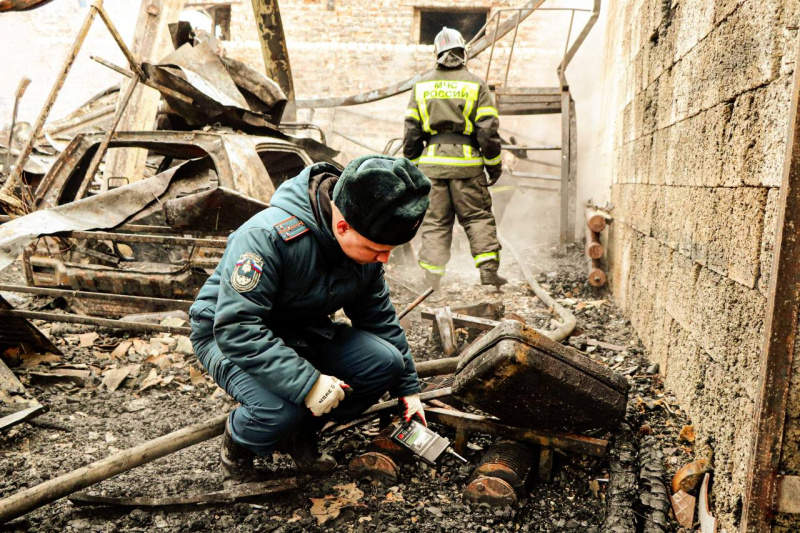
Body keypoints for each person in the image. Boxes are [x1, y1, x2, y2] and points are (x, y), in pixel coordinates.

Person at [189, 155, 431, 488]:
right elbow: (237, 327)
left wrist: (409, 390)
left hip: (300, 331)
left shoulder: (362, 238)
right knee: (280, 409)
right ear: (342, 226)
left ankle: (299, 436)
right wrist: (309, 384)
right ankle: (238, 448)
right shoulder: (267, 237)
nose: (384, 259)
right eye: (377, 249)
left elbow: (380, 320)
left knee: (384, 362)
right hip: (227, 335)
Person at [403, 26, 507, 290]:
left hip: (432, 166)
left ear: (437, 53)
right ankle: (487, 273)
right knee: (477, 217)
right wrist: (493, 166)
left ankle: (432, 281)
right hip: (468, 166)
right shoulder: (476, 84)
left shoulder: (422, 84)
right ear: (463, 52)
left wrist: (414, 168)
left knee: (435, 221)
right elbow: (487, 130)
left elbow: (412, 131)